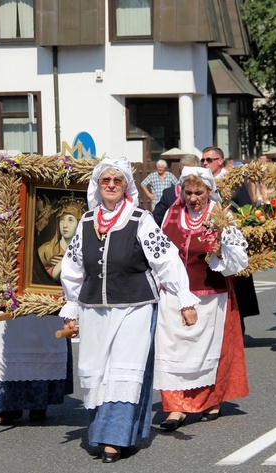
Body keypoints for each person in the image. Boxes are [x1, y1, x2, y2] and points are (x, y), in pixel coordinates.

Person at [58, 159, 199, 463]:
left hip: (135, 307)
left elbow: (167, 261)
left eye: (117, 181)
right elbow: (72, 268)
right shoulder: (85, 222)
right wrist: (71, 306)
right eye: (105, 180)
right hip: (94, 309)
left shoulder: (140, 219)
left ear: (126, 187)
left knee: (124, 371)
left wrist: (185, 299)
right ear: (97, 185)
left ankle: (116, 439)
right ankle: (102, 433)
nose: (110, 185)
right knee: (99, 371)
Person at [155, 167, 249, 429]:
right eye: (188, 192)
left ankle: (209, 399)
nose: (193, 197)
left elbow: (239, 261)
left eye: (199, 192)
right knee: (171, 348)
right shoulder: (172, 214)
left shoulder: (221, 217)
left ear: (209, 191)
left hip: (209, 295)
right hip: (173, 294)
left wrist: (220, 252)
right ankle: (175, 407)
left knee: (205, 350)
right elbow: (159, 253)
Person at [0, 201, 75, 426]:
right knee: (5, 346)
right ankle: (8, 403)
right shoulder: (0, 207)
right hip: (4, 285)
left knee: (40, 342)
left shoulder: (47, 201)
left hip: (41, 286)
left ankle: (38, 402)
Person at [202, 146, 260, 332]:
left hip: (231, 239)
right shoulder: (202, 183)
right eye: (203, 160)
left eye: (209, 160)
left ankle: (238, 327)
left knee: (237, 287)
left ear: (220, 160)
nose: (205, 163)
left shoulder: (232, 182)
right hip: (211, 241)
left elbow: (246, 209)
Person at [37, 195, 87, 280]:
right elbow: (53, 276)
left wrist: (64, 261)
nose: (64, 225)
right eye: (62, 220)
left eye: (70, 220)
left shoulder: (86, 251)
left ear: (79, 224)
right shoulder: (45, 250)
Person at [152, 154, 200, 226]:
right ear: (179, 170)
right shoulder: (169, 194)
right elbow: (156, 220)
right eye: (184, 171)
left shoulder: (207, 192)